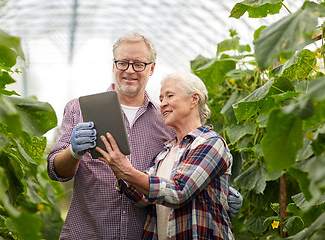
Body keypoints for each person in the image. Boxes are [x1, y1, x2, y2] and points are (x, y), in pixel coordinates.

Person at [47, 31, 242, 239]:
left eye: (138, 64)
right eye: (123, 63)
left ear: (151, 68)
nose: (130, 70)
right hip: (87, 232)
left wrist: (215, 191)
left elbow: (183, 174)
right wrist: (73, 152)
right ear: (113, 65)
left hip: (140, 233)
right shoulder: (80, 109)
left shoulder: (166, 119)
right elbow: (55, 171)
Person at [96, 72, 234, 239]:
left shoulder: (211, 142)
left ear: (194, 99)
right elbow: (143, 198)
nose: (162, 104)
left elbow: (179, 192)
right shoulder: (165, 152)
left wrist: (128, 171)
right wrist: (117, 169)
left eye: (170, 95)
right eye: (161, 99)